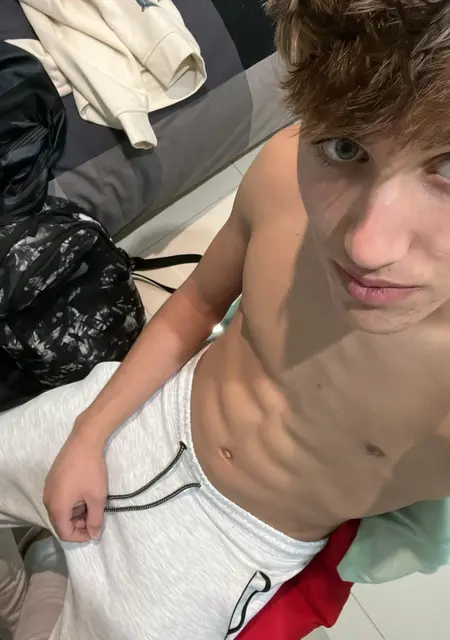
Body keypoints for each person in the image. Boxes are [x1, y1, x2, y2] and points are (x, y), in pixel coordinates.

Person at [3, 0, 450, 637]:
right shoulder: (282, 173)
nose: (367, 247)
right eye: (345, 147)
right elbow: (196, 302)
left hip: (231, 547)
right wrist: (88, 433)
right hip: (149, 409)